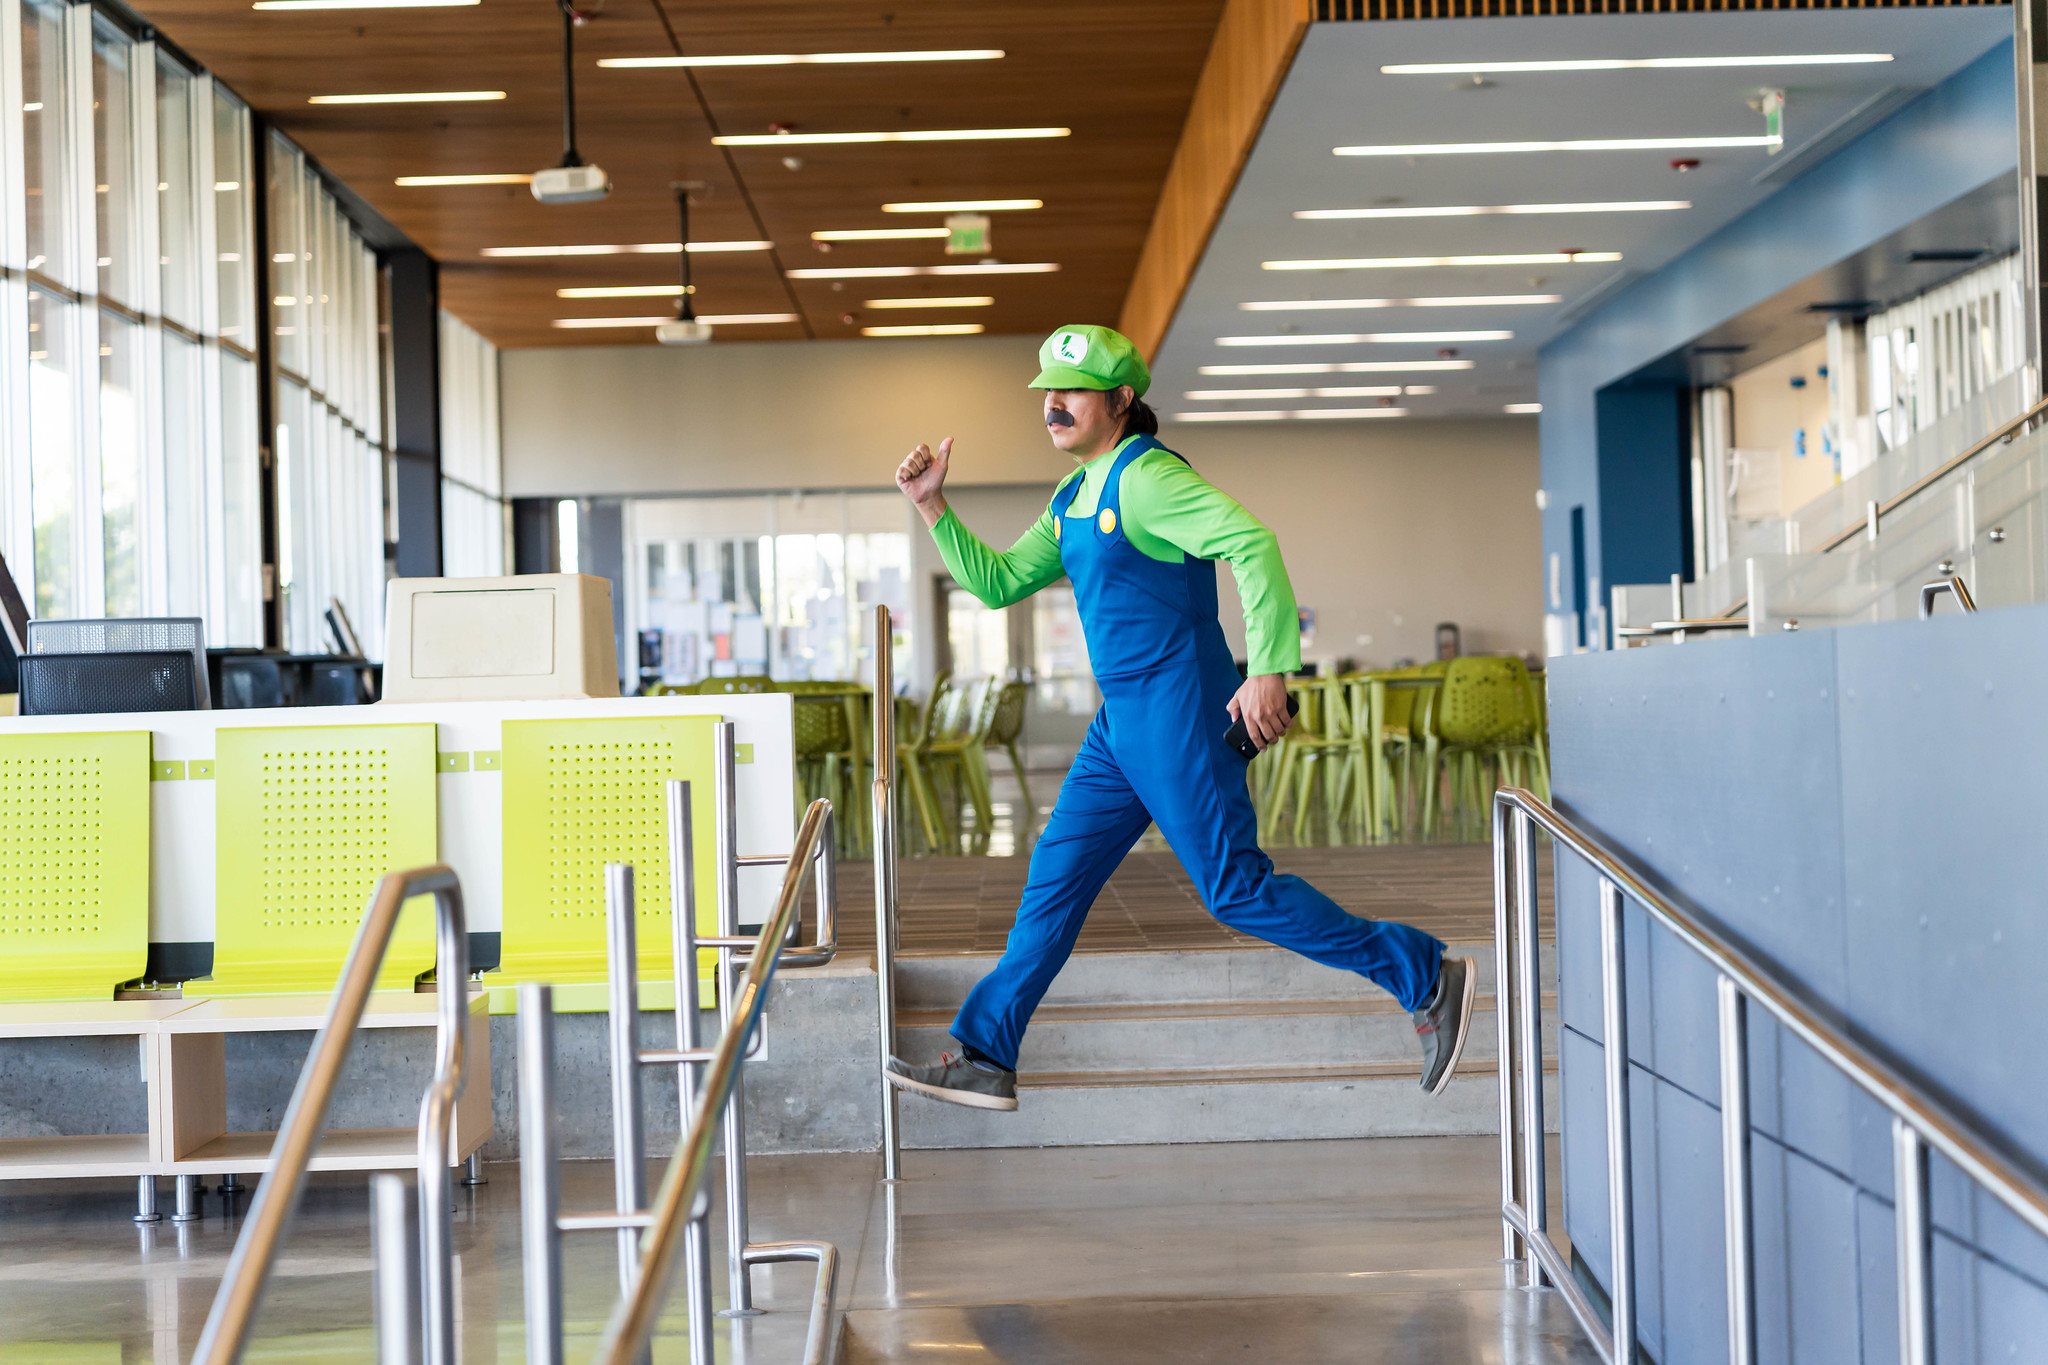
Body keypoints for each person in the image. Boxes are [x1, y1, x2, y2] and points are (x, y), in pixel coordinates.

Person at [884, 325, 1475, 1112]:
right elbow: (995, 583)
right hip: (1122, 721)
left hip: (1180, 704)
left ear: (1122, 400)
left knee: (1234, 887)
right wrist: (933, 509)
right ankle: (989, 1050)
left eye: (1074, 390)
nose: (1054, 404)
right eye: (1048, 392)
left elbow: (1251, 542)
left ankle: (1422, 973)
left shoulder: (1147, 478)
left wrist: (1267, 668)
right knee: (1052, 882)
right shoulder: (1072, 496)